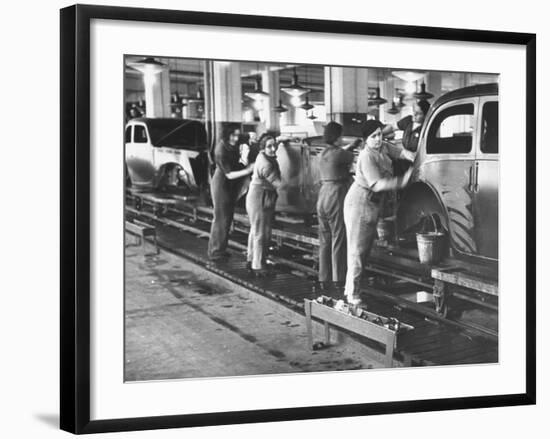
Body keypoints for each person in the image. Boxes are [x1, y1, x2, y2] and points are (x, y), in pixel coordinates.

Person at [343, 119, 415, 306]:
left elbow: (401, 152)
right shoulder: (366, 156)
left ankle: (352, 288)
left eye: (380, 134)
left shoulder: (383, 147)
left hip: (373, 203)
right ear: (365, 139)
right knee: (357, 250)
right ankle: (352, 295)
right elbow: (377, 184)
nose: (378, 139)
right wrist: (402, 181)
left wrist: (415, 158)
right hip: (360, 202)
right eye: (373, 136)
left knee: (364, 250)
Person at [316, 121, 359, 292]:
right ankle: (338, 278)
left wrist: (350, 145)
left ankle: (323, 278)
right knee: (339, 237)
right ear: (337, 136)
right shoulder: (340, 154)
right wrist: (356, 146)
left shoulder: (324, 153)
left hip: (323, 195)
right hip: (336, 195)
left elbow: (339, 153)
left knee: (325, 239)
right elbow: (353, 157)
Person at [208, 125, 254, 261]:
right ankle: (215, 251)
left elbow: (248, 137)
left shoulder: (235, 141)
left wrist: (251, 139)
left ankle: (221, 249)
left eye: (237, 136)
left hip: (230, 184)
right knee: (221, 218)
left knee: (227, 218)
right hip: (222, 183)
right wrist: (248, 170)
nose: (235, 139)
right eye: (232, 136)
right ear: (226, 135)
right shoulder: (220, 150)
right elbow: (229, 174)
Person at [245, 135, 282, 276]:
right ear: (263, 147)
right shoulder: (265, 164)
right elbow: (279, 184)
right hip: (260, 197)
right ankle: (258, 266)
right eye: (269, 146)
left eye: (275, 145)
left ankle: (251, 259)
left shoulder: (263, 156)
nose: (273, 149)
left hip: (259, 195)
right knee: (261, 232)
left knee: (255, 230)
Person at [384, 99, 430, 176]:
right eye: (414, 111)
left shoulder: (426, 128)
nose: (414, 115)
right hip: (403, 160)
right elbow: (392, 127)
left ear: (425, 116)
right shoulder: (408, 120)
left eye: (419, 113)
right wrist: (380, 133)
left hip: (416, 164)